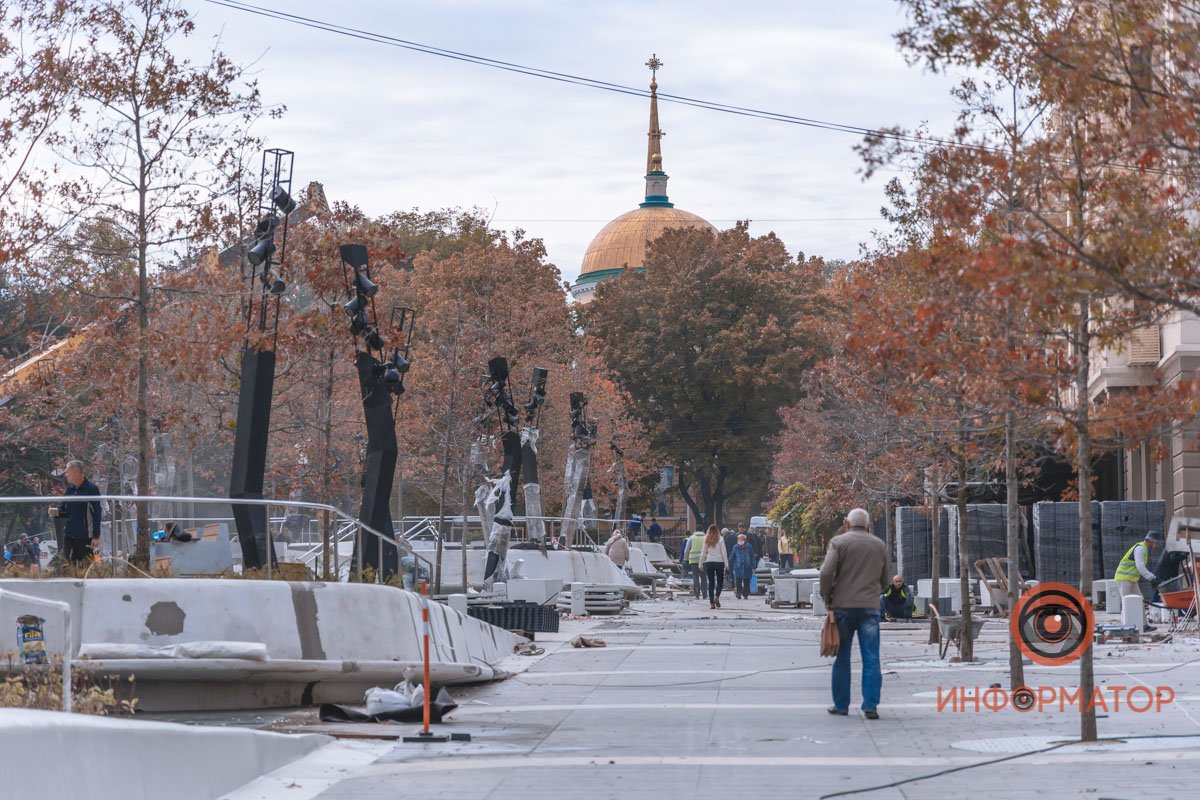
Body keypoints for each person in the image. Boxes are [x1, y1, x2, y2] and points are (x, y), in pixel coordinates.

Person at [820, 508, 889, 720]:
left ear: (847, 524)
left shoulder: (838, 542)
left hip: (842, 607)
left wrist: (827, 597)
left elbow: (826, 572)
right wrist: (874, 593)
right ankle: (870, 706)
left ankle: (841, 705)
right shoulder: (879, 545)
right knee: (871, 657)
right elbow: (885, 580)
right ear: (868, 525)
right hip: (870, 607)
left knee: (842, 656)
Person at [52, 461, 102, 566]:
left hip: (85, 537)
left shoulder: (91, 489)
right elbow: (65, 512)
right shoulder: (70, 490)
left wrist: (96, 536)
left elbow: (97, 513)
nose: (65, 475)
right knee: (67, 566)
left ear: (76, 472)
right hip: (69, 535)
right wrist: (56, 512)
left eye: (67, 472)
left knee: (87, 566)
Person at [1114, 529, 1163, 632]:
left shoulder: (1143, 549)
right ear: (1151, 541)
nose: (1156, 545)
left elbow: (1140, 567)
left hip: (1131, 579)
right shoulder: (1140, 549)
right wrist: (1151, 577)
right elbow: (1139, 566)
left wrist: (1152, 577)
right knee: (1126, 603)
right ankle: (1124, 627)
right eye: (1156, 543)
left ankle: (1143, 625)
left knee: (1140, 600)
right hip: (1124, 578)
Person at [700, 524, 729, 609]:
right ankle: (717, 596)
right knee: (720, 582)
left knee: (711, 583)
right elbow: (724, 553)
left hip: (709, 562)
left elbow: (703, 553)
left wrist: (700, 564)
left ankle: (712, 604)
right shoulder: (721, 539)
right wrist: (727, 564)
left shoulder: (706, 539)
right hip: (719, 562)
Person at [729, 533, 756, 599]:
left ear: (745, 540)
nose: (740, 541)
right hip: (738, 567)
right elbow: (732, 556)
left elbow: (752, 556)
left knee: (747, 580)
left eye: (742, 539)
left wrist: (754, 566)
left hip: (747, 566)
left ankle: (745, 594)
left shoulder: (749, 546)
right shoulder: (735, 547)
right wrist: (730, 564)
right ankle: (739, 593)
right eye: (739, 539)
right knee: (738, 580)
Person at [685, 529, 707, 599]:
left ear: (695, 530)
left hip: (693, 560)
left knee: (695, 577)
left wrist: (686, 559)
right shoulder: (706, 538)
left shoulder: (691, 538)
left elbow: (686, 550)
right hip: (704, 561)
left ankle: (697, 595)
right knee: (704, 577)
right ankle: (704, 594)